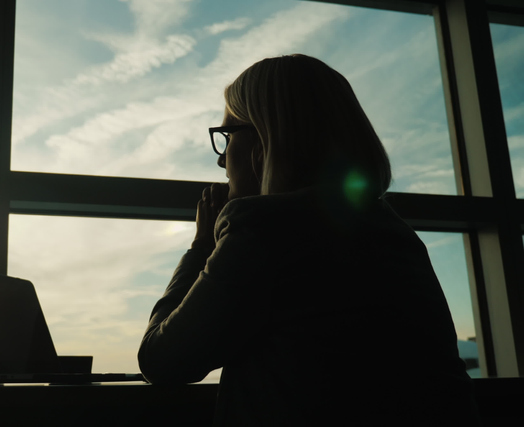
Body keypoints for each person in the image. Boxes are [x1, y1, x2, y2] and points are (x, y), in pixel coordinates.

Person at [137, 54, 480, 426]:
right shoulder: (392, 232)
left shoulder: (266, 231)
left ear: (264, 138)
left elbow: (162, 360)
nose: (221, 161)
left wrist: (201, 246)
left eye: (226, 135)